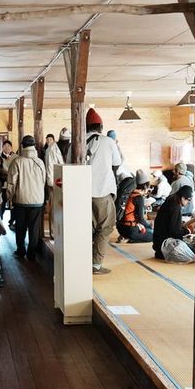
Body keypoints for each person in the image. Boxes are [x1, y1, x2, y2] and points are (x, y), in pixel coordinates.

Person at [85, 108, 122, 275]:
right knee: (105, 227)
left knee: (85, 228)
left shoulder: (77, 142)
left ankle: (81, 261)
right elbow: (117, 162)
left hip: (81, 193)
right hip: (103, 191)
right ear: (100, 126)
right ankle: (95, 264)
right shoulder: (108, 141)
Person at [6, 135, 47, 260]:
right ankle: (31, 253)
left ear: (22, 146)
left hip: (21, 200)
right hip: (37, 200)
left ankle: (21, 250)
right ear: (34, 146)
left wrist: (9, 197)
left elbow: (11, 183)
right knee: (34, 228)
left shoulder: (17, 161)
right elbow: (43, 181)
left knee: (20, 227)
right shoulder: (40, 162)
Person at [152, 186, 193, 259]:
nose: (189, 202)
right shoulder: (175, 207)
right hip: (166, 247)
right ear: (182, 198)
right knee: (194, 251)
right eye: (188, 199)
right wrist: (187, 231)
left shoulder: (170, 202)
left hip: (159, 245)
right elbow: (175, 231)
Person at [117, 172, 154, 243]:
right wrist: (150, 225)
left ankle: (125, 237)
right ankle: (130, 239)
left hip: (120, 228)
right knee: (153, 234)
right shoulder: (138, 198)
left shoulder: (128, 193)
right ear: (145, 186)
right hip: (130, 229)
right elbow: (141, 219)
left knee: (145, 228)